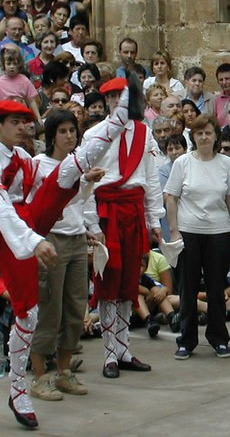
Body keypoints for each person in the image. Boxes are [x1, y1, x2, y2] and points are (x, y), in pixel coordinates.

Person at [0, 94, 131, 429]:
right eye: (14, 122)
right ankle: (20, 387)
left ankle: (117, 121)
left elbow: (49, 185)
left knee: (67, 170)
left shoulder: (22, 156)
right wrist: (33, 240)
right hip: (0, 228)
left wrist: (76, 186)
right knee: (30, 312)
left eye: (25, 122)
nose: (23, 128)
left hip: (26, 218)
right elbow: (0, 208)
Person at [84, 76, 164, 381]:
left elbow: (151, 177)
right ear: (106, 101)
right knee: (108, 283)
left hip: (133, 210)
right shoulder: (94, 135)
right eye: (113, 97)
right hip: (107, 212)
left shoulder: (144, 132)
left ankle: (124, 348)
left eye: (124, 96)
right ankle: (109, 353)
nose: (119, 101)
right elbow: (87, 183)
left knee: (130, 281)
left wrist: (154, 220)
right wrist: (93, 224)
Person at [29, 109, 104, 402]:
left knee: (75, 308)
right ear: (51, 136)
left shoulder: (77, 165)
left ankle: (64, 371)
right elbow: (34, 204)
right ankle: (40, 376)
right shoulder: (39, 165)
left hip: (76, 239)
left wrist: (89, 227)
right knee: (50, 309)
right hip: (50, 240)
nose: (69, 136)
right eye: (62, 131)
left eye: (72, 130)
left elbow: (80, 202)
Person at [164, 114, 230, 359]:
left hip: (219, 231)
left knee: (217, 288)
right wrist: (174, 230)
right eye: (199, 133)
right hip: (188, 232)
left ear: (216, 135)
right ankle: (186, 340)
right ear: (193, 137)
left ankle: (219, 338)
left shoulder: (226, 163)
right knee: (188, 288)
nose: (204, 137)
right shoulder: (183, 163)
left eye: (208, 132)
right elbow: (171, 198)